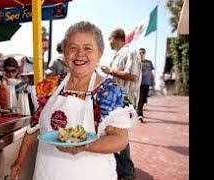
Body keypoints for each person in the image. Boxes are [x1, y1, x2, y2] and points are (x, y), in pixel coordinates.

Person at [11, 21, 132, 180]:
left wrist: (86, 146)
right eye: (73, 48)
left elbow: (120, 139)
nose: (80, 54)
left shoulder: (109, 90)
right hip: (46, 173)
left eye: (88, 48)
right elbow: (34, 127)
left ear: (100, 53)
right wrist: (19, 160)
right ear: (65, 53)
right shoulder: (50, 85)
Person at [101, 28, 142, 180]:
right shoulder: (119, 55)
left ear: (115, 38)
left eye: (109, 39)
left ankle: (127, 172)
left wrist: (110, 70)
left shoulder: (130, 52)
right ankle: (122, 170)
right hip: (116, 100)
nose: (109, 43)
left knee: (119, 135)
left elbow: (132, 76)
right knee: (114, 133)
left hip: (125, 101)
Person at [137, 48, 154, 123]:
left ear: (145, 53)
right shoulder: (137, 62)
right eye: (140, 53)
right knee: (140, 99)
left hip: (147, 83)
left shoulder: (149, 62)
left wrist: (153, 82)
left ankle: (139, 111)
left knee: (144, 100)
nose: (141, 54)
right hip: (139, 83)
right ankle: (140, 114)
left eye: (143, 52)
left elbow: (151, 73)